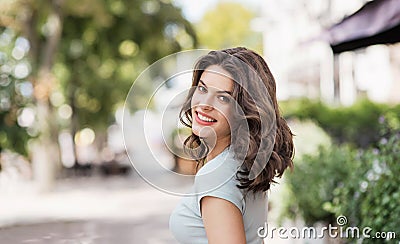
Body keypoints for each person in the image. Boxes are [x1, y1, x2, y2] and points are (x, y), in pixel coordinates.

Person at [169, 47, 294, 243]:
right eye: (202, 88)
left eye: (223, 97)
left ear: (244, 111)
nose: (204, 104)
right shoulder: (244, 165)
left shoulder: (217, 176)